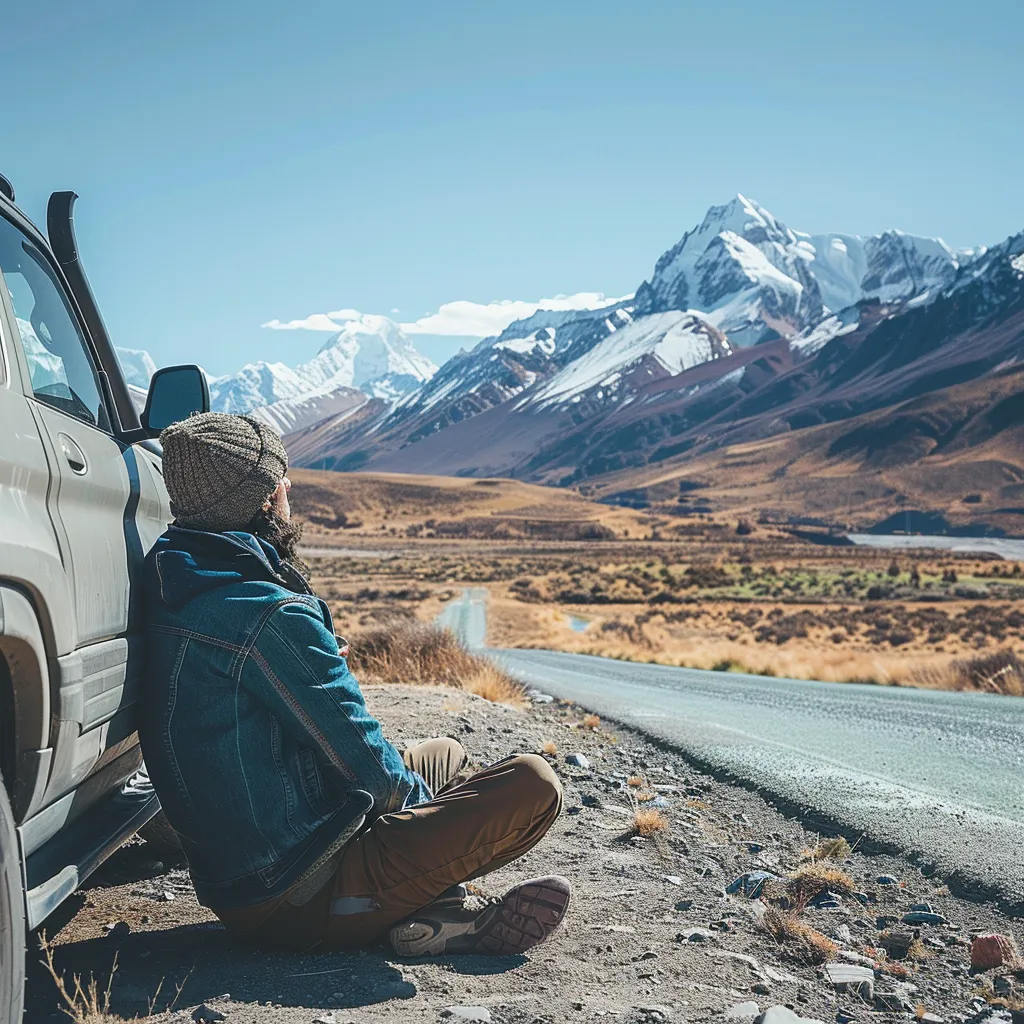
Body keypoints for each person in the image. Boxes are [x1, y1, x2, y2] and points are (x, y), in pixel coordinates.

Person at [139, 412, 570, 956]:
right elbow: (379, 779)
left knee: (443, 752)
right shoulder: (270, 616)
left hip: (245, 873)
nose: (288, 489)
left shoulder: (175, 579)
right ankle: (441, 910)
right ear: (267, 496)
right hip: (299, 892)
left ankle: (419, 902)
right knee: (535, 784)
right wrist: (437, 838)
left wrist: (312, 663)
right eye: (281, 481)